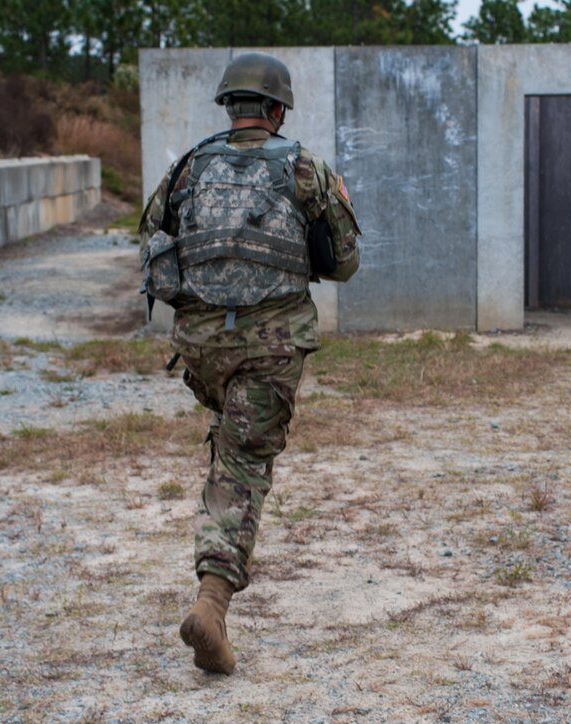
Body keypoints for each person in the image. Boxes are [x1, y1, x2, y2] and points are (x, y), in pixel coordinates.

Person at [138, 51, 361, 675]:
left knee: (231, 445)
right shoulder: (306, 168)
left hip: (202, 346)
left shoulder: (186, 168)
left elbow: (152, 238)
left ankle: (213, 588)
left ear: (228, 108)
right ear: (278, 108)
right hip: (270, 346)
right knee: (241, 463)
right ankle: (210, 608)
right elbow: (344, 262)